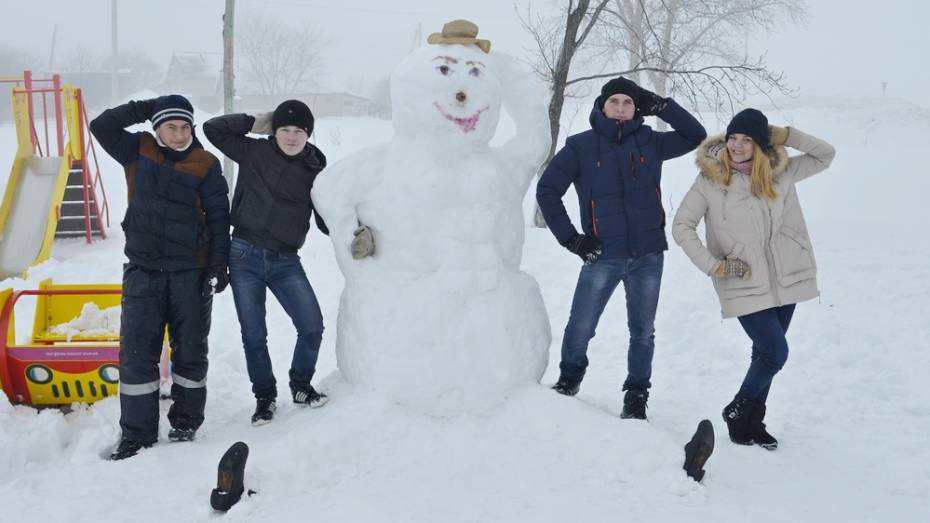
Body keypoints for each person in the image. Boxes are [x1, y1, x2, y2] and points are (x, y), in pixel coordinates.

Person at [536, 76, 706, 419]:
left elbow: (695, 135)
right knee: (581, 326)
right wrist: (572, 239)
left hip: (648, 255)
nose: (621, 108)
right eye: (614, 101)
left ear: (636, 108)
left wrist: (661, 104)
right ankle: (569, 378)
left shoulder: (650, 142)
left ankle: (636, 395)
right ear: (602, 106)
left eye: (629, 102)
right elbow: (547, 190)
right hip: (603, 255)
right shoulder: (580, 147)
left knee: (643, 331)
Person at [671, 108, 836, 449]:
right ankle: (738, 409)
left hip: (786, 276)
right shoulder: (710, 179)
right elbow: (681, 226)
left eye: (747, 139)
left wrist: (787, 135)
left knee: (762, 354)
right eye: (733, 137)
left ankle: (748, 424)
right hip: (741, 278)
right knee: (775, 352)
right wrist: (714, 266)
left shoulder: (781, 172)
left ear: (760, 143)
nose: (738, 145)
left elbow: (826, 155)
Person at [90, 95, 230, 460]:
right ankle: (136, 434)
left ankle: (185, 422)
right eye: (171, 126)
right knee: (137, 355)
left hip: (191, 273)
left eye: (185, 127)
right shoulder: (138, 150)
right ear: (157, 128)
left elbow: (218, 218)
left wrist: (218, 265)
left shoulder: (206, 163)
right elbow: (101, 125)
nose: (179, 134)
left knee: (191, 353)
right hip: (143, 271)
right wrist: (148, 107)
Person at [203, 100, 329, 426]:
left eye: (298, 130)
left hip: (286, 260)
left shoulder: (315, 168)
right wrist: (259, 121)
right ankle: (265, 397)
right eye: (284, 129)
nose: (291, 136)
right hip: (244, 254)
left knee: (312, 326)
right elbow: (212, 128)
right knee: (254, 335)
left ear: (308, 134)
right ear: (274, 130)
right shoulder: (253, 151)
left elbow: (327, 215)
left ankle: (300, 386)